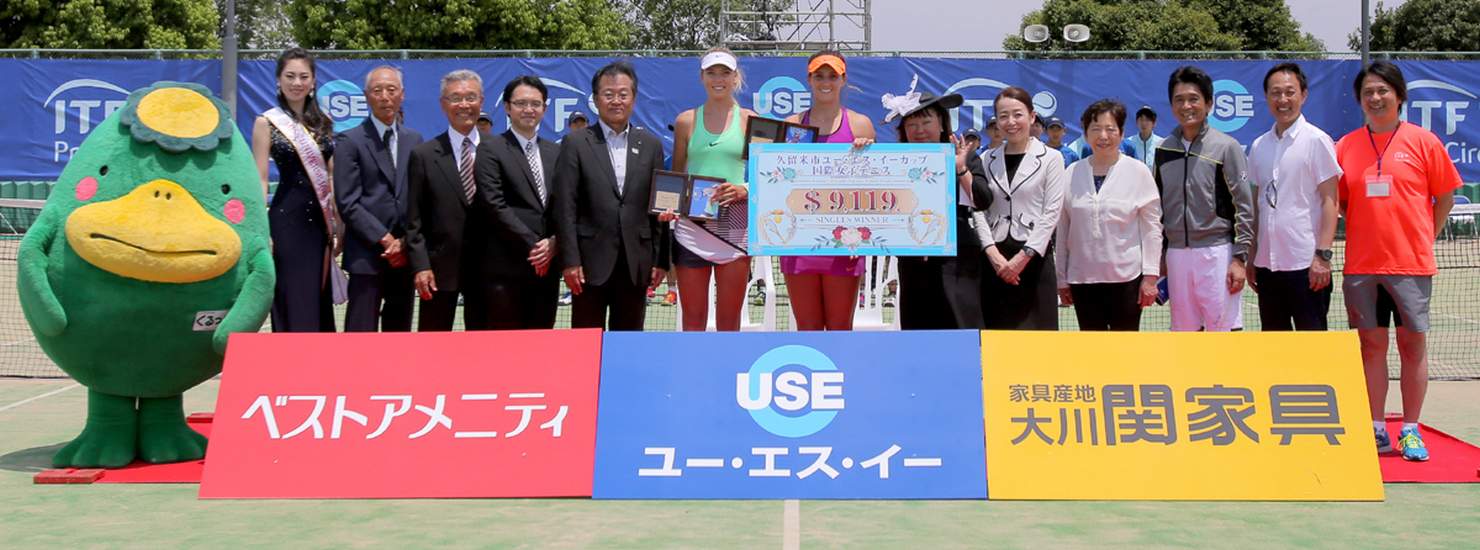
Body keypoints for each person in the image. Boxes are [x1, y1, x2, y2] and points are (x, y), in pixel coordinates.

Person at [1336, 61, 1461, 462]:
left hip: (1411, 266)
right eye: (1368, 92)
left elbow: (1445, 197)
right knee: (1370, 347)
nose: (1375, 98)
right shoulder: (1346, 146)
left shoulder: (1424, 142)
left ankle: (1410, 429)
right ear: (1360, 100)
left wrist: (1424, 236)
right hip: (1361, 267)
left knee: (1412, 346)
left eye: (1382, 91)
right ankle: (1375, 428)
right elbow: (1341, 202)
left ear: (1399, 96)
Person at [554, 61, 670, 331]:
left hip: (636, 264)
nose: (616, 101)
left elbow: (659, 208)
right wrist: (570, 260)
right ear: (596, 100)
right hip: (588, 265)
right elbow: (565, 206)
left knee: (629, 342)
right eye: (608, 94)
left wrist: (660, 260)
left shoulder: (651, 145)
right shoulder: (575, 143)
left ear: (634, 98)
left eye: (623, 94)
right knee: (585, 343)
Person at [781, 50, 877, 331]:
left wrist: (866, 154)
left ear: (843, 80)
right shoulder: (791, 124)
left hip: (844, 243)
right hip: (799, 240)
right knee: (807, 329)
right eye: (819, 76)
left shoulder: (860, 124)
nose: (826, 82)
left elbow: (873, 185)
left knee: (840, 329)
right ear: (809, 80)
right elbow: (778, 180)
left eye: (832, 76)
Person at [661, 47, 756, 331]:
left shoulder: (750, 119)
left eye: (725, 73)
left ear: (735, 77)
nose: (718, 79)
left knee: (729, 322)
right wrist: (668, 206)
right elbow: (677, 176)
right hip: (692, 229)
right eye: (711, 73)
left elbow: (768, 175)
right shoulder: (686, 121)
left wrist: (745, 189)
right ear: (702, 77)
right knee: (692, 322)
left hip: (736, 230)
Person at [1154, 66, 1254, 332]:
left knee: (1223, 333)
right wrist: (1162, 254)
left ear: (1209, 103)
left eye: (1193, 99)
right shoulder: (1164, 150)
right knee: (1184, 335)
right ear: (1172, 105)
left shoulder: (1226, 147)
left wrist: (1239, 258)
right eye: (1179, 100)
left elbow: (1244, 206)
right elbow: (1159, 209)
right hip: (1176, 256)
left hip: (1217, 253)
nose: (1186, 106)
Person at [885, 87, 991, 329]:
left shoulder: (963, 155)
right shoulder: (894, 160)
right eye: (912, 124)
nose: (919, 130)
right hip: (913, 259)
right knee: (919, 330)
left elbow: (983, 200)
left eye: (926, 122)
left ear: (942, 124)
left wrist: (960, 168)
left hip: (958, 258)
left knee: (962, 326)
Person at [1247, 63, 1342, 332]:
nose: (1283, 100)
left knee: (1311, 350)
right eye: (1275, 93)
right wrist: (1252, 256)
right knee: (1275, 350)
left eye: (1290, 92)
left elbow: (1331, 201)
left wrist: (1322, 256)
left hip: (1307, 267)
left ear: (1304, 95)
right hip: (1267, 267)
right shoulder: (1258, 146)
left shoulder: (1317, 140)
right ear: (1267, 97)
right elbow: (1257, 204)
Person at [252, 47, 340, 333]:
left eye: (303, 76)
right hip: (285, 221)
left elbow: (331, 175)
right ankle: (289, 357)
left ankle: (319, 359)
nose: (297, 82)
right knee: (292, 294)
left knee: (317, 293)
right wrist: (261, 228)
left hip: (319, 225)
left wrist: (339, 223)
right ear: (278, 80)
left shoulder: (323, 123)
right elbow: (260, 179)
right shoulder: (266, 123)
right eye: (290, 76)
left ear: (313, 81)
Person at [1054, 99, 1162, 331]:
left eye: (1110, 129)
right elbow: (1063, 231)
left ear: (1121, 133)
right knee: (1092, 348)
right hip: (1082, 281)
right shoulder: (1071, 173)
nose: (1103, 136)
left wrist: (1151, 277)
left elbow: (1152, 229)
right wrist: (1062, 278)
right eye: (1096, 129)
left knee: (1125, 348)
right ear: (1085, 134)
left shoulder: (1138, 172)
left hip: (1127, 280)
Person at [334, 65, 423, 333]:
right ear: (366, 96)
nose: (385, 96)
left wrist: (404, 242)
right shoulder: (350, 141)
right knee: (360, 335)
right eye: (377, 90)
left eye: (391, 90)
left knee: (399, 333)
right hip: (366, 254)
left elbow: (420, 197)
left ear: (402, 95)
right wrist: (385, 239)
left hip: (404, 255)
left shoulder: (414, 140)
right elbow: (347, 201)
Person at [472, 75, 563, 329]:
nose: (528, 109)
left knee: (542, 340)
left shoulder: (556, 152)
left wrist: (555, 242)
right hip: (506, 266)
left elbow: (566, 203)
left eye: (535, 103)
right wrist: (535, 246)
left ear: (544, 108)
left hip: (548, 267)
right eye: (521, 103)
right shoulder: (490, 148)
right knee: (505, 344)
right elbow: (493, 203)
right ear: (507, 107)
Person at [972, 86, 1066, 330]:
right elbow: (978, 208)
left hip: (1034, 259)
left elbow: (1051, 213)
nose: (1011, 122)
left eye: (1018, 114)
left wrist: (1021, 259)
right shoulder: (986, 159)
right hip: (994, 262)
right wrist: (993, 254)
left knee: (1038, 342)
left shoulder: (1051, 158)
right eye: (1003, 116)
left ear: (1032, 117)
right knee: (995, 339)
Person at [405, 69, 490, 331]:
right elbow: (414, 219)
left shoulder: (499, 150)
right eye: (455, 98)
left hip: (489, 270)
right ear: (443, 104)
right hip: (438, 272)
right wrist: (421, 266)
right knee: (433, 344)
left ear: (481, 101)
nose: (464, 105)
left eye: (471, 97)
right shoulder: (424, 155)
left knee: (486, 345)